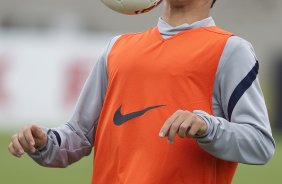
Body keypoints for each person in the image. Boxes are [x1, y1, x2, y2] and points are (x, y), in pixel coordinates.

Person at [8, 0, 275, 183]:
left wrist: (207, 126)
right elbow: (78, 136)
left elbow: (261, 144)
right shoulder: (117, 48)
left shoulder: (231, 50)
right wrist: (43, 143)